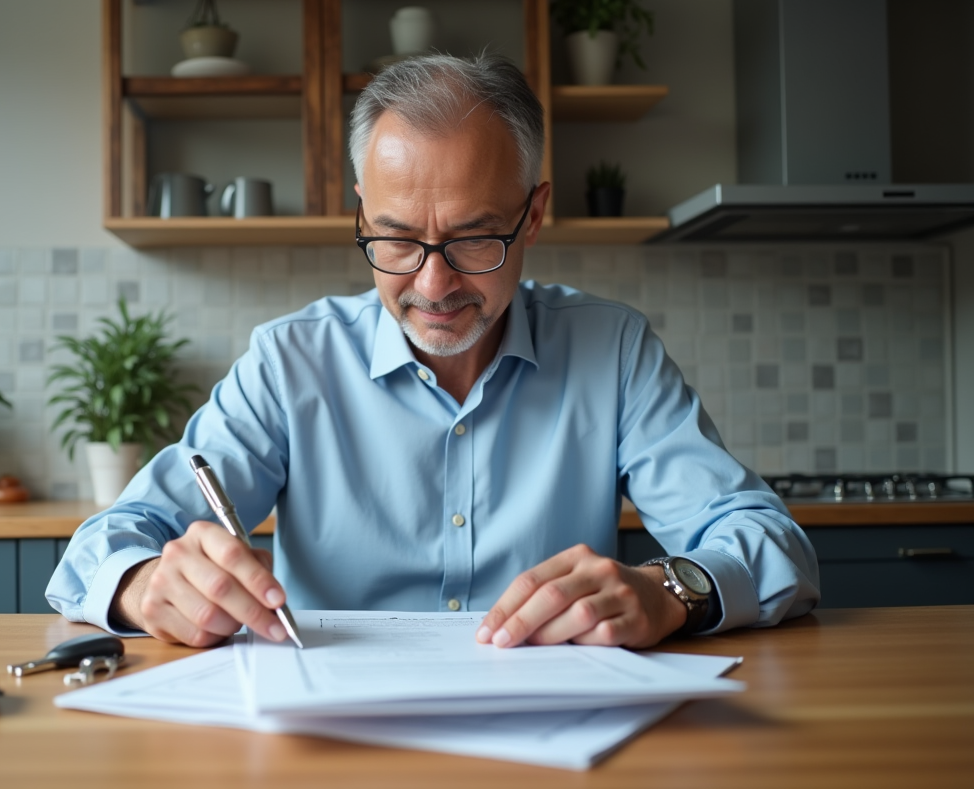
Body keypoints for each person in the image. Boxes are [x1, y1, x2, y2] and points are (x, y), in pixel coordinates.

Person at [46, 53, 819, 649]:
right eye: (394, 239)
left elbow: (772, 544)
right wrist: (146, 585)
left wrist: (668, 592)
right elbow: (100, 547)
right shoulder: (290, 364)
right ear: (362, 213)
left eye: (476, 237)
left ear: (535, 214)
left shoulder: (611, 351)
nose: (434, 282)